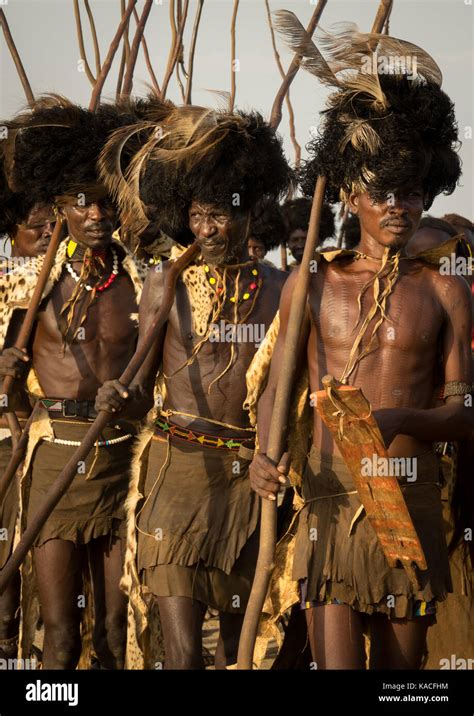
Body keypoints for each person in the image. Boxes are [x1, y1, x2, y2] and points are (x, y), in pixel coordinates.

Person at [249, 26, 471, 669]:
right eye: (381, 190)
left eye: (409, 191)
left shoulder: (445, 292)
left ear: (426, 192)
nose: (397, 205)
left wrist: (402, 421)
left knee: (402, 679)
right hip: (331, 493)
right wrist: (266, 455)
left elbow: (466, 414)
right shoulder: (311, 283)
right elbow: (277, 391)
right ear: (351, 195)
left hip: (410, 493)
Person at [96, 105, 292, 668]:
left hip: (249, 479)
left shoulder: (284, 289)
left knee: (234, 647)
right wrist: (120, 395)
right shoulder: (166, 282)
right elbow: (138, 379)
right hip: (175, 467)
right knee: (183, 654)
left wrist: (272, 459)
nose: (206, 230)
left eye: (218, 217)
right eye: (198, 216)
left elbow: (288, 393)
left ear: (251, 211)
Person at [0, 96, 144, 669]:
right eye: (82, 203)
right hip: (53, 458)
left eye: (106, 202)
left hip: (120, 464)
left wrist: (131, 397)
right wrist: (6, 376)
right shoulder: (27, 286)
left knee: (112, 630)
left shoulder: (143, 283)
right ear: (61, 206)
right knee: (60, 637)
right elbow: (7, 389)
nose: (96, 215)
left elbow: (159, 372)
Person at [0, 162, 56, 661]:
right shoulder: (4, 281)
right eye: (34, 227)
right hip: (2, 440)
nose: (44, 235)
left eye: (49, 225)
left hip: (37, 438)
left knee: (25, 558)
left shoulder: (56, 283)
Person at [280, 197, 335, 268]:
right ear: (287, 243)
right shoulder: (279, 276)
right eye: (295, 240)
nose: (300, 245)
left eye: (305, 239)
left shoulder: (328, 269)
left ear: (318, 240)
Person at [247, 199, 286, 268]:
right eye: (247, 248)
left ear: (265, 251)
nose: (251, 254)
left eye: (257, 248)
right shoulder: (225, 276)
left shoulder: (274, 276)